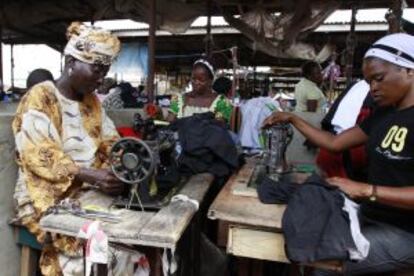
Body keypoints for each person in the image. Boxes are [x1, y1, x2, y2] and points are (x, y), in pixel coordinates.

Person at [263, 33, 414, 275]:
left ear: (409, 70)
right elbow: (334, 143)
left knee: (327, 263)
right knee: (310, 232)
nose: (372, 88)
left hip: (406, 232)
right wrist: (292, 118)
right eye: (369, 81)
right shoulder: (383, 115)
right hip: (372, 216)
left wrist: (366, 190)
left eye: (378, 78)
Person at [12, 22, 125, 275]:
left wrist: (123, 161)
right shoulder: (41, 96)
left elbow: (109, 140)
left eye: (104, 71)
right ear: (71, 62)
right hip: (43, 194)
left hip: (83, 189)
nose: (101, 78)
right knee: (102, 252)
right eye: (96, 69)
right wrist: (91, 175)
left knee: (125, 237)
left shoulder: (92, 102)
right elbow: (40, 155)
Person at [167, 59, 233, 124]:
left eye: (201, 80)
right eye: (193, 78)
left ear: (210, 81)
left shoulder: (221, 102)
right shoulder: (178, 99)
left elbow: (219, 127)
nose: (196, 82)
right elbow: (170, 122)